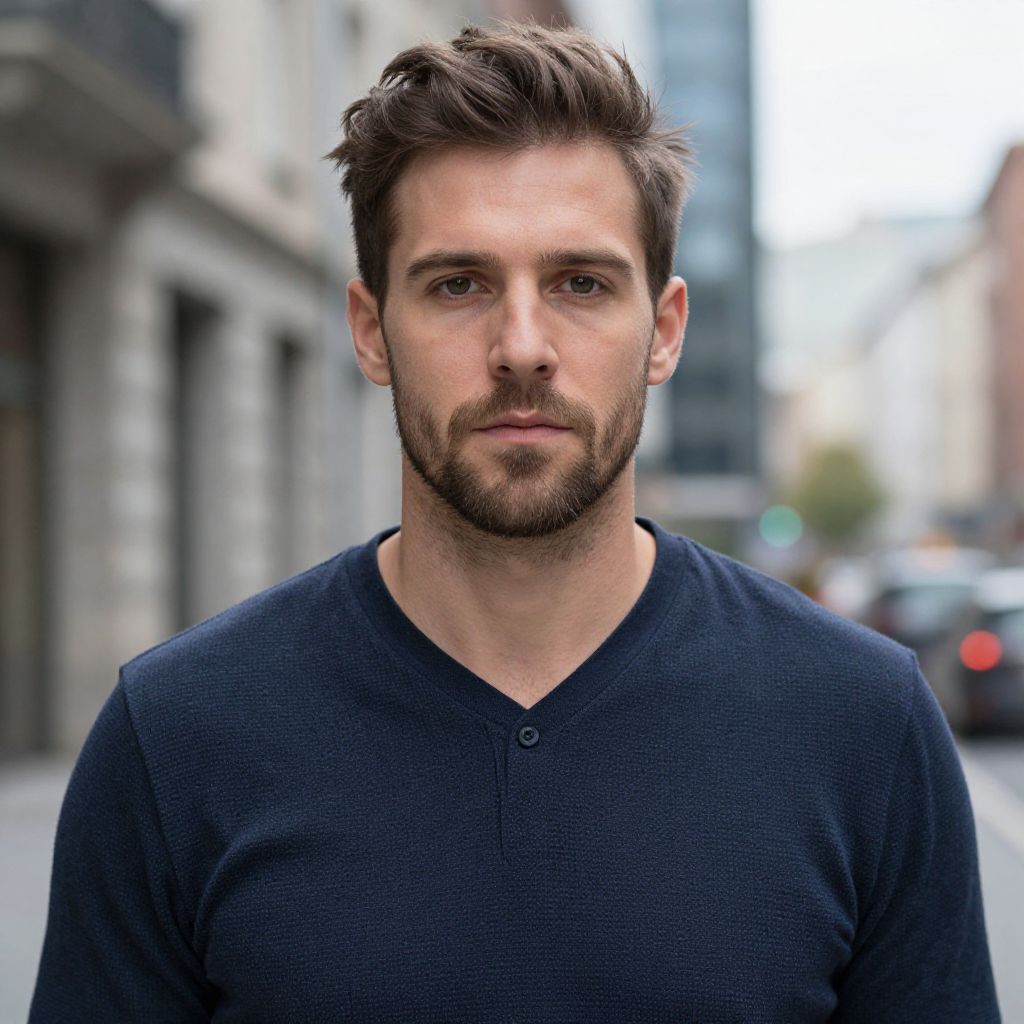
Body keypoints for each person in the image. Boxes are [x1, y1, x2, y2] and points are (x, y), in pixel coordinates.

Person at [30, 21, 1000, 1024]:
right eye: (459, 284)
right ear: (370, 331)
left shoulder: (861, 722)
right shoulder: (178, 734)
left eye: (580, 283)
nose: (522, 347)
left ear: (663, 331)